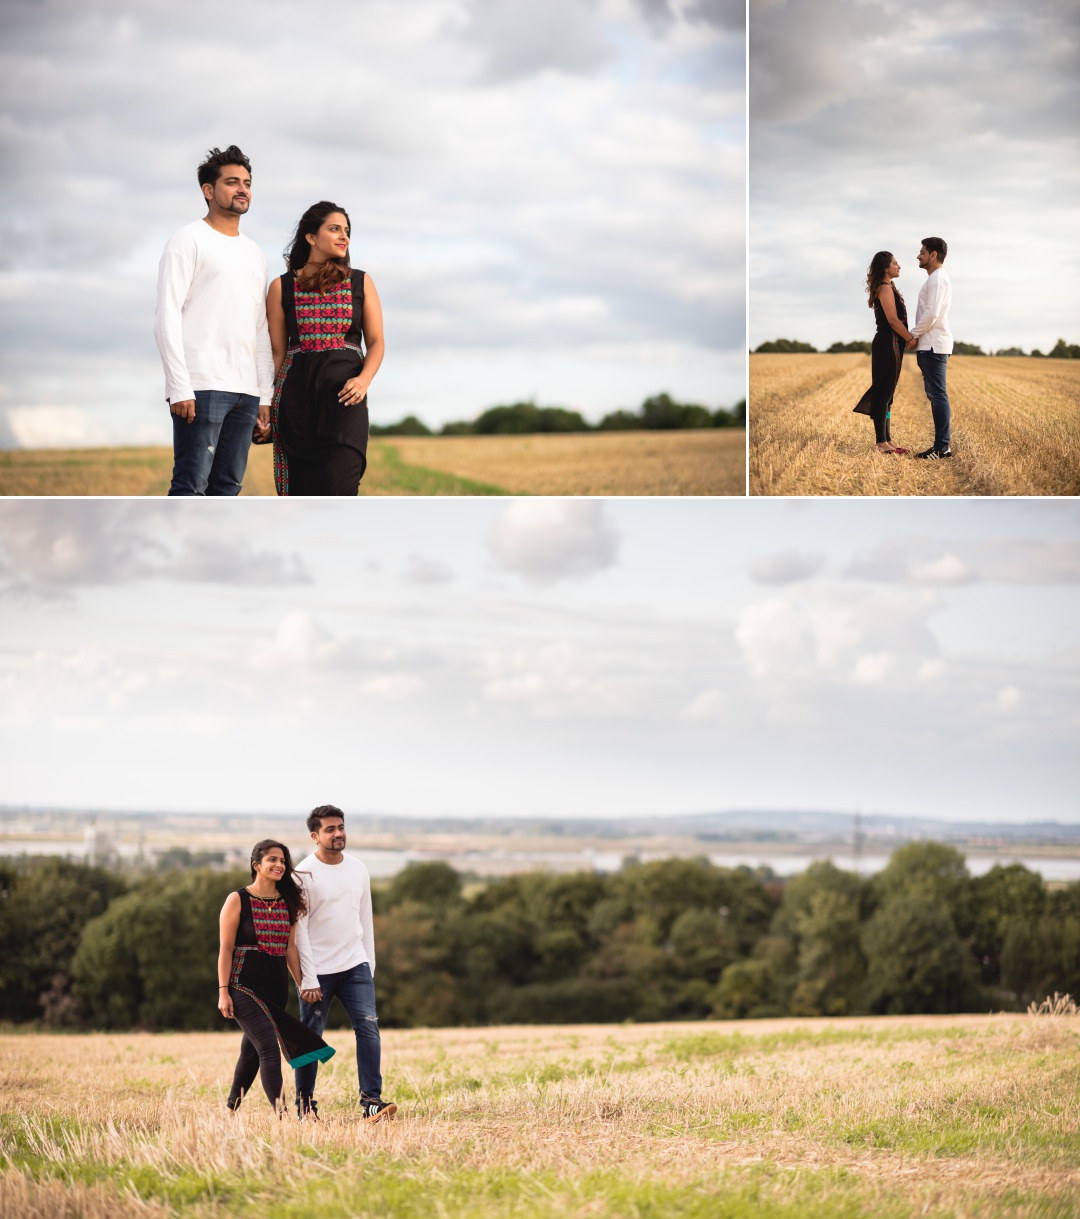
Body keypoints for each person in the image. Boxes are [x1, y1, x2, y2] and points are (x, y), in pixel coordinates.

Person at [154, 145, 274, 495]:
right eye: (232, 182)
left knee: (228, 489)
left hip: (246, 393)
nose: (243, 189)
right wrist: (179, 385)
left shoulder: (254, 253)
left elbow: (260, 328)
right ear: (209, 191)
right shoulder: (188, 239)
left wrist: (263, 395)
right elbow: (166, 315)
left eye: (247, 183)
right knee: (191, 486)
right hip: (201, 386)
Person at [265, 202, 385, 496]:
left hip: (345, 402)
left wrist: (363, 380)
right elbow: (277, 353)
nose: (344, 236)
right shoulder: (281, 287)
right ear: (310, 237)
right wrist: (265, 404)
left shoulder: (361, 281)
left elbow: (377, 342)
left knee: (340, 489)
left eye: (346, 231)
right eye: (334, 229)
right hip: (295, 404)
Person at [292, 805, 397, 1123]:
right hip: (318, 972)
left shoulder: (358, 868)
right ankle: (306, 1108)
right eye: (330, 829)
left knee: (369, 1029)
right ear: (315, 836)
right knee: (310, 1037)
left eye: (341, 827)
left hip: (356, 966)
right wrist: (306, 978)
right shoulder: (302, 875)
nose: (338, 833)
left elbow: (364, 918)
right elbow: (299, 932)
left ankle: (372, 1103)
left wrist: (370, 966)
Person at [217, 839, 335, 1114]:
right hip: (242, 984)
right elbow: (225, 948)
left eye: (282, 861)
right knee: (269, 1047)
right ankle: (281, 1115)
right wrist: (223, 991)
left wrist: (303, 982)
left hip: (276, 987)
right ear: (256, 864)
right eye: (272, 859)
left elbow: (290, 947)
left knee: (251, 1052)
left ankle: (230, 1110)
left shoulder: (288, 902)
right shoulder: (237, 899)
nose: (279, 865)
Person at [853, 251, 916, 454]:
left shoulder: (888, 287)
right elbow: (893, 321)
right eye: (895, 263)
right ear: (885, 267)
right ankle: (881, 443)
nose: (899, 266)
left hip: (890, 343)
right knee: (883, 394)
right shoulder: (885, 288)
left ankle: (887, 440)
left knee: (887, 395)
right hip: (889, 343)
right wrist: (909, 338)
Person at [907, 237, 954, 459]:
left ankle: (942, 447)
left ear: (933, 254)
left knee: (938, 395)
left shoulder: (937, 280)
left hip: (933, 345)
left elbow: (932, 313)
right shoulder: (936, 279)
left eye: (922, 252)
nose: (918, 255)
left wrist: (913, 335)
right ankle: (941, 445)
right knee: (936, 395)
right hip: (932, 344)